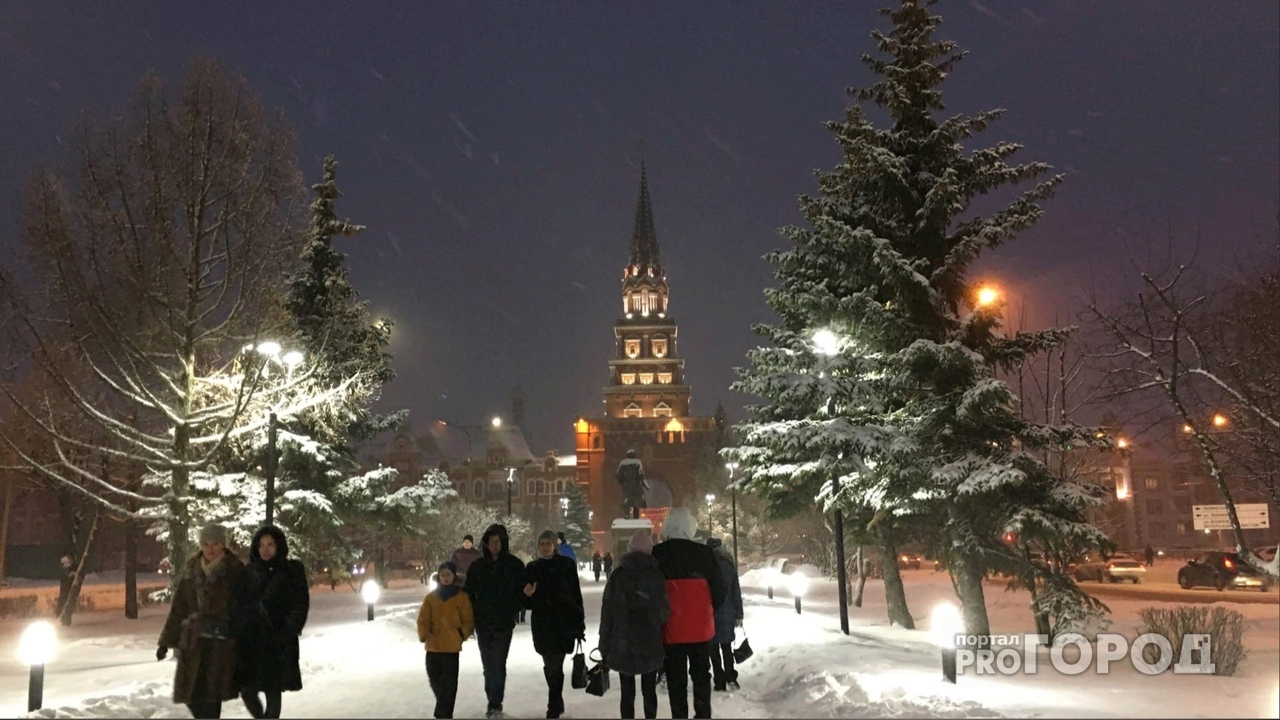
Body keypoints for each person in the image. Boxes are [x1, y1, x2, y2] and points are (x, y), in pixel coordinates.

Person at [157, 523, 247, 719]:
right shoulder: (191, 569)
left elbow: (244, 609)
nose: (210, 549)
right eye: (205, 544)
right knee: (191, 697)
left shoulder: (235, 571)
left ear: (223, 545)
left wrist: (239, 637)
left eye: (215, 544)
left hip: (220, 645)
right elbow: (179, 607)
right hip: (193, 644)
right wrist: (166, 642)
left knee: (211, 700)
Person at [651, 508, 725, 719]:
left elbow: (652, 590)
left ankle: (679, 715)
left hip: (671, 627)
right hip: (700, 627)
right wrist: (708, 610)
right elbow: (720, 588)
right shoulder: (704, 554)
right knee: (701, 675)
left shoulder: (659, 553)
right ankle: (702, 713)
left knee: (676, 678)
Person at [237, 526, 310, 719]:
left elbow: (300, 602)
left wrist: (289, 628)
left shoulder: (291, 570)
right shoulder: (249, 572)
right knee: (247, 691)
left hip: (278, 641)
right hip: (253, 642)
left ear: (279, 546)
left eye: (270, 544)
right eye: (261, 545)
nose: (265, 549)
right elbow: (240, 602)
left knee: (273, 692)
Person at [600, 530, 670, 719]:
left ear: (629, 549)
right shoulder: (656, 576)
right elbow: (664, 612)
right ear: (649, 549)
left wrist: (604, 643)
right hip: (650, 641)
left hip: (624, 641)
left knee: (627, 692)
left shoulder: (617, 576)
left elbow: (607, 611)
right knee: (649, 690)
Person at [463, 524, 526, 719]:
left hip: (503, 623)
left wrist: (513, 608)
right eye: (492, 541)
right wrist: (471, 616)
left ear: (503, 543)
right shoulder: (477, 567)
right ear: (486, 543)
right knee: (488, 664)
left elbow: (521, 593)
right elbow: (468, 593)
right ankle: (492, 699)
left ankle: (495, 703)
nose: (495, 545)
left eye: (498, 541)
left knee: (498, 663)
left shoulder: (514, 565)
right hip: (483, 623)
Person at [524, 530, 586, 719]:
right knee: (548, 662)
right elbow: (527, 602)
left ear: (555, 545)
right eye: (541, 544)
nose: (544, 547)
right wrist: (528, 595)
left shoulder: (566, 565)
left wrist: (579, 621)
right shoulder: (532, 567)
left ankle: (554, 704)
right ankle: (556, 700)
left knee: (555, 663)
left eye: (548, 543)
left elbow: (575, 595)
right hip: (542, 622)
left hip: (562, 621)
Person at [417, 561, 474, 719]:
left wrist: (461, 634)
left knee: (449, 685)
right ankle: (444, 709)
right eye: (443, 575)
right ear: (438, 577)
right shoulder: (431, 598)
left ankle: (444, 714)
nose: (446, 578)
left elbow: (467, 619)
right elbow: (422, 619)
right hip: (433, 646)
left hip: (451, 647)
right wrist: (424, 634)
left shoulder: (461, 597)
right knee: (435, 680)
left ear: (454, 576)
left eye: (448, 574)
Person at [705, 538, 743, 692]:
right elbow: (736, 591)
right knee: (726, 647)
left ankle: (719, 680)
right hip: (727, 612)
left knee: (713, 648)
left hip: (710, 612)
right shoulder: (728, 564)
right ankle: (731, 677)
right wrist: (739, 614)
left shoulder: (705, 566)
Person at [617, 449, 647, 519]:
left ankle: (626, 514)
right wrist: (641, 482)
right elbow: (641, 474)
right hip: (636, 486)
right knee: (636, 502)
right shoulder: (638, 462)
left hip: (627, 486)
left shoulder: (622, 463)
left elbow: (618, 475)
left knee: (626, 500)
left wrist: (622, 482)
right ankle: (636, 516)